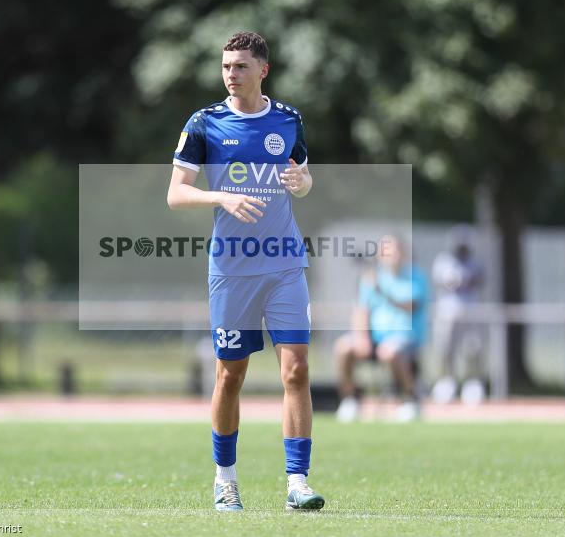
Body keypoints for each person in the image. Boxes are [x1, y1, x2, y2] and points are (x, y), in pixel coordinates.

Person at [166, 31, 324, 512]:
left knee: (296, 370)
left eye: (239, 66)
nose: (230, 75)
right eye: (225, 67)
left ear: (263, 70)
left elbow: (303, 177)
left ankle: (297, 482)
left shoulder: (288, 119)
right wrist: (221, 196)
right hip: (232, 271)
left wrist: (302, 182)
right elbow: (176, 194)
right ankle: (225, 479)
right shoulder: (204, 123)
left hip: (284, 264)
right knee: (229, 375)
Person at [335, 235, 429, 423]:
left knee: (390, 351)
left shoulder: (416, 276)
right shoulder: (371, 278)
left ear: (403, 253)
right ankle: (351, 399)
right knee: (343, 348)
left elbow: (411, 305)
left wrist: (381, 290)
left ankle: (411, 399)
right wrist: (362, 337)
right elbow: (362, 310)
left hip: (404, 338)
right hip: (375, 339)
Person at [430, 226, 486, 404]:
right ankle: (447, 381)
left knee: (472, 348)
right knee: (445, 349)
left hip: (470, 312)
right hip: (447, 313)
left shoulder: (475, 263)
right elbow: (441, 282)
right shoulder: (443, 262)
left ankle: (472, 382)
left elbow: (480, 280)